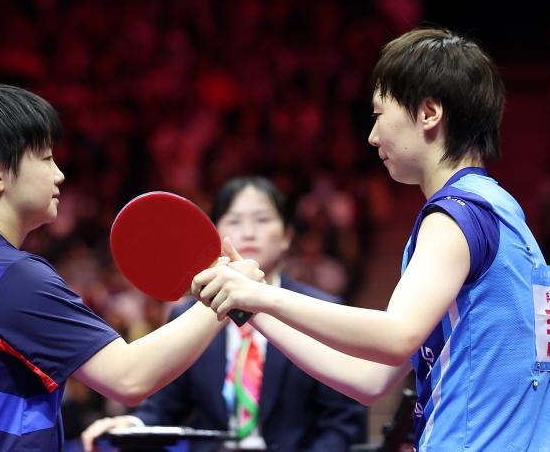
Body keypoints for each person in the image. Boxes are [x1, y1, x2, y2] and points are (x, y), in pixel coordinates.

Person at [192, 28, 550, 450]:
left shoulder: (453, 217)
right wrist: (249, 307)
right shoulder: (501, 212)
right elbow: (369, 380)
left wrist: (263, 295)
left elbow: (395, 336)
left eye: (378, 114)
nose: (372, 136)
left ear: (429, 113)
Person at [0, 84, 260, 450]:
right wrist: (228, 290)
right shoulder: (9, 278)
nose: (59, 174)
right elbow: (130, 377)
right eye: (45, 159)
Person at [80, 176, 367, 451]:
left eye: (262, 220)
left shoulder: (320, 311)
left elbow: (342, 422)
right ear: (214, 234)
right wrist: (132, 425)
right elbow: (165, 405)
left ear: (286, 236)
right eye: (234, 220)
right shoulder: (186, 317)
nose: (248, 232)